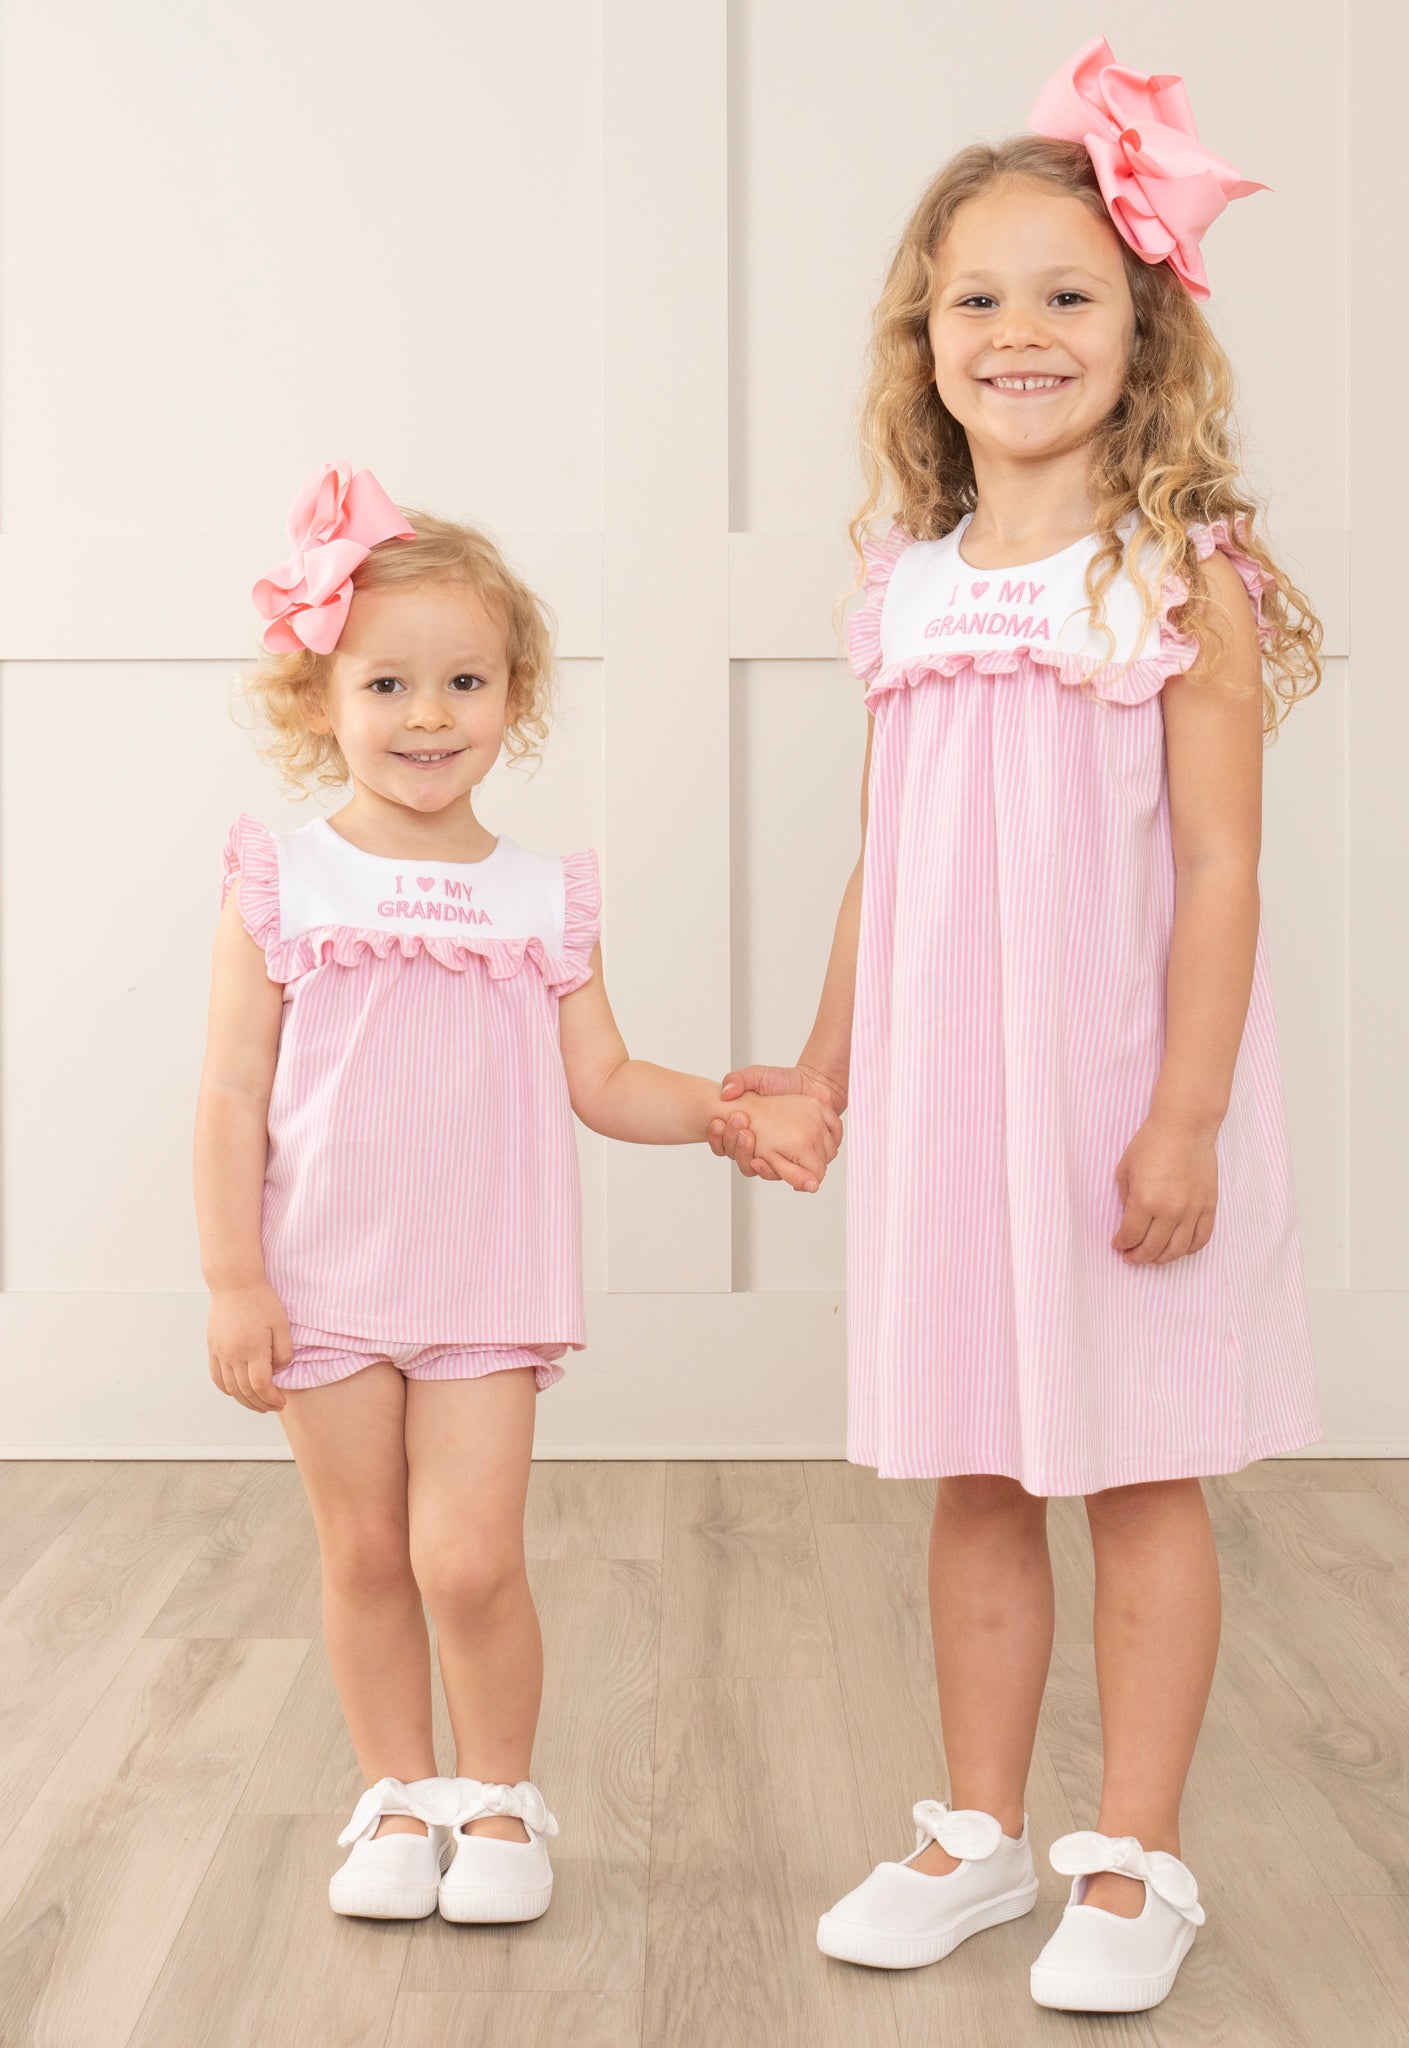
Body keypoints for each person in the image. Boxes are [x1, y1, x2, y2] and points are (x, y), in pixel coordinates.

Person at [709, 37, 1323, 2013]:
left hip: (1119, 1104)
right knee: (975, 1469)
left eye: (1067, 295)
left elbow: (1220, 870)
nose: (1019, 333)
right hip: (954, 1113)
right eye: (976, 299)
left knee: (1138, 1470)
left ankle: (1135, 1857)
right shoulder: (904, 584)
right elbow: (885, 862)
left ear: (1144, 335)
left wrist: (1187, 1115)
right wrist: (826, 1070)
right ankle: (979, 1832)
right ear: (926, 338)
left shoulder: (1177, 580)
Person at [194, 464, 837, 1925]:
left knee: (469, 1561)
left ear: (515, 696)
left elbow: (602, 1079)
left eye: (466, 681)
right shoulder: (281, 883)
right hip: (320, 1278)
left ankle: (497, 1797)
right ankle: (397, 1793)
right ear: (318, 696)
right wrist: (236, 1277)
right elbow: (230, 1093)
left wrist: (723, 1113)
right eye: (387, 683)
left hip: (483, 1278)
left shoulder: (542, 899)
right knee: (366, 1555)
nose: (429, 715)